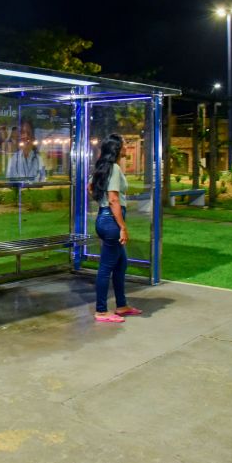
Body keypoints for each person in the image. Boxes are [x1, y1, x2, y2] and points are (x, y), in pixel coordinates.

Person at [88, 134, 142, 323]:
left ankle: (121, 305)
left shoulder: (103, 168)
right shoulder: (114, 168)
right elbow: (113, 199)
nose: (127, 146)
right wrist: (122, 227)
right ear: (117, 148)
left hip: (104, 219)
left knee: (121, 264)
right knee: (106, 267)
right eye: (124, 144)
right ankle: (101, 311)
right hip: (111, 222)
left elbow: (90, 187)